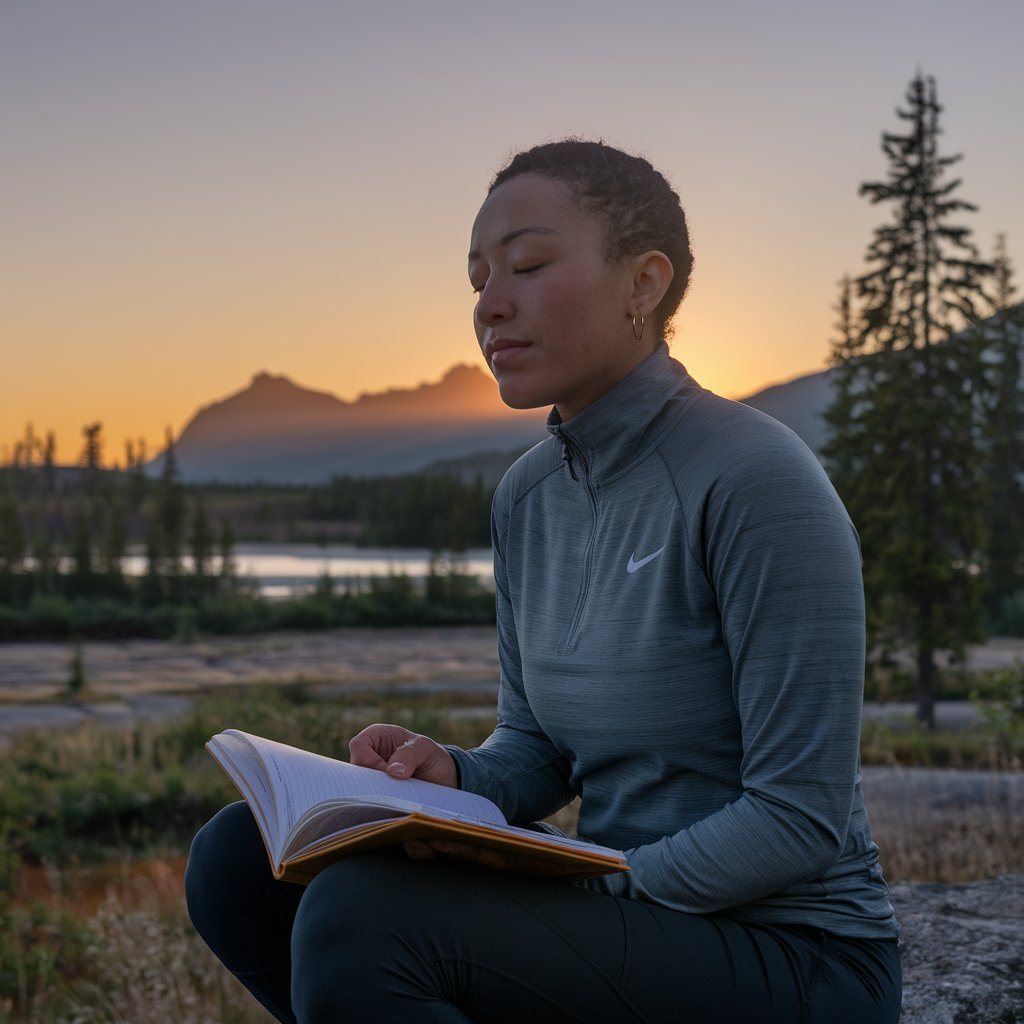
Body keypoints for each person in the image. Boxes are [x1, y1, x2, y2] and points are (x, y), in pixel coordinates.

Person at [186, 138, 901, 1023]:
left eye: (526, 264)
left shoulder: (756, 479)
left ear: (644, 284)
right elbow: (539, 751)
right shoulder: (527, 496)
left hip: (795, 953)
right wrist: (444, 771)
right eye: (478, 278)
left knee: (364, 921)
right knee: (236, 860)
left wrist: (596, 888)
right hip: (626, 912)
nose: (491, 304)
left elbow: (798, 817)